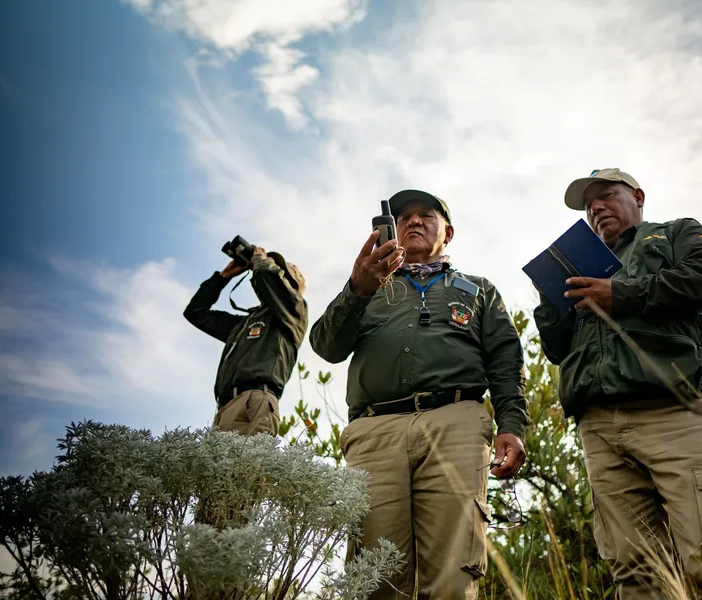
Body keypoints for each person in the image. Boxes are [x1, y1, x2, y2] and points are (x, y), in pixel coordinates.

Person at [533, 169, 702, 599]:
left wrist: (620, 293)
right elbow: (558, 350)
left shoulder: (675, 233)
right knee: (636, 574)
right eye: (589, 206)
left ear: (638, 196)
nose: (596, 208)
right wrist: (551, 301)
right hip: (600, 429)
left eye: (606, 196)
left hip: (676, 414)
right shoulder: (583, 267)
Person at [310, 190, 530, 599]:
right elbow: (325, 347)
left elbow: (505, 361)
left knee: (453, 571)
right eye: (403, 217)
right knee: (373, 573)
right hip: (375, 432)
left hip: (456, 425)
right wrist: (356, 289)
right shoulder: (368, 289)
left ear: (447, 231)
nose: (412, 221)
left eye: (425, 215)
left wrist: (512, 425)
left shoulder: (479, 289)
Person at [184, 246, 308, 437]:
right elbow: (196, 313)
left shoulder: (294, 312)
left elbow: (271, 281)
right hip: (226, 407)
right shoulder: (243, 325)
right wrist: (223, 277)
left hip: (256, 401)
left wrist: (260, 258)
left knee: (252, 466)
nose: (265, 266)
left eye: (279, 270)